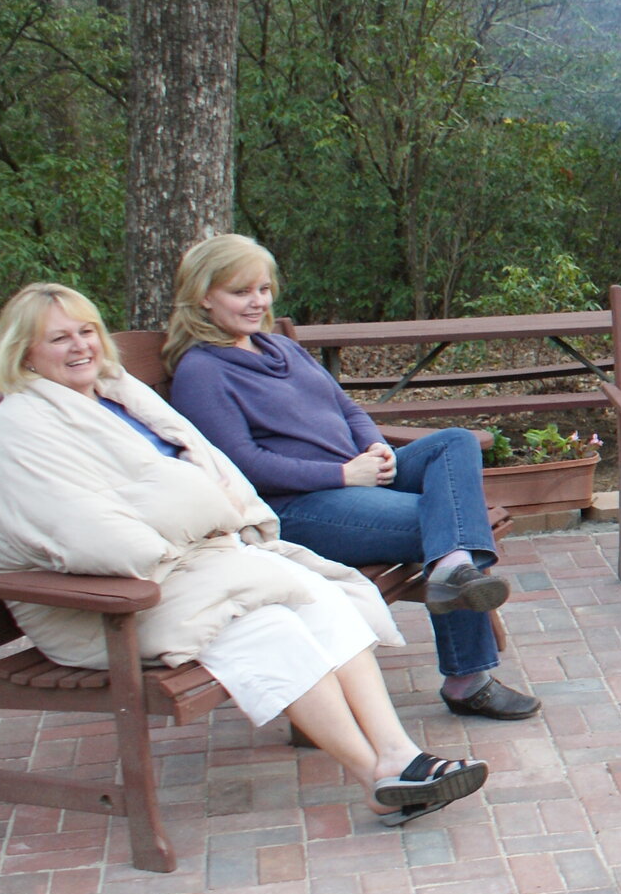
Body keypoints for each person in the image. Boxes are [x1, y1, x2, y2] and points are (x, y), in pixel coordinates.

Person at [0, 284, 489, 821]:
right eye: (59, 338)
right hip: (108, 601)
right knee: (269, 631)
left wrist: (214, 517)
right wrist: (201, 515)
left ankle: (399, 754)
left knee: (323, 597)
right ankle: (374, 775)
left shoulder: (113, 394)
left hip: (196, 562)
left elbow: (209, 470)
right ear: (24, 351)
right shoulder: (23, 426)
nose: (80, 347)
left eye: (86, 332)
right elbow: (83, 532)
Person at [163, 234, 540, 721]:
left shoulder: (279, 348)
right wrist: (342, 474)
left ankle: (451, 571)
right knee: (446, 522)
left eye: (263, 288)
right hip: (299, 506)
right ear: (202, 296)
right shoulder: (202, 372)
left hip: (356, 476)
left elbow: (346, 406)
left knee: (456, 442)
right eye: (241, 292)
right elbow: (243, 465)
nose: (257, 302)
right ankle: (468, 677)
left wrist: (374, 446)